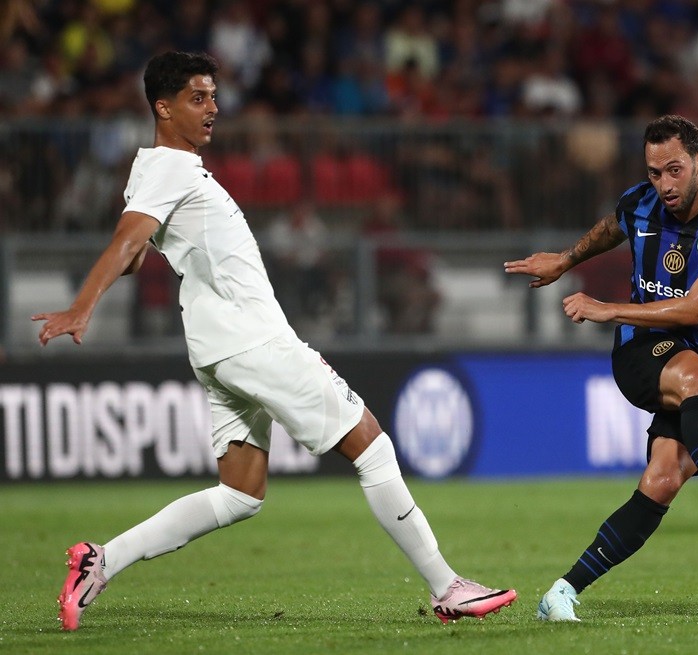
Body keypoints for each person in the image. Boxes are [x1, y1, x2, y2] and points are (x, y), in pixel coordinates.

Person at [33, 51, 516, 632]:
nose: (212, 108)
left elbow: (135, 254)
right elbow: (124, 242)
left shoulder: (153, 169)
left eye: (213, 96)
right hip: (251, 340)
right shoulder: (170, 168)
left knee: (239, 493)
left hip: (217, 347)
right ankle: (448, 587)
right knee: (371, 444)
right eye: (196, 98)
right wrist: (82, 308)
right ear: (162, 107)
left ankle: (102, 561)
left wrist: (123, 266)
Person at [504, 114, 698, 622]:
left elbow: (696, 311)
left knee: (662, 480)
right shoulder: (641, 203)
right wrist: (566, 260)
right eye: (654, 172)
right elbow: (613, 227)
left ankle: (561, 593)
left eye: (674, 170)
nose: (664, 184)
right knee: (694, 375)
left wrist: (607, 307)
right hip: (643, 351)